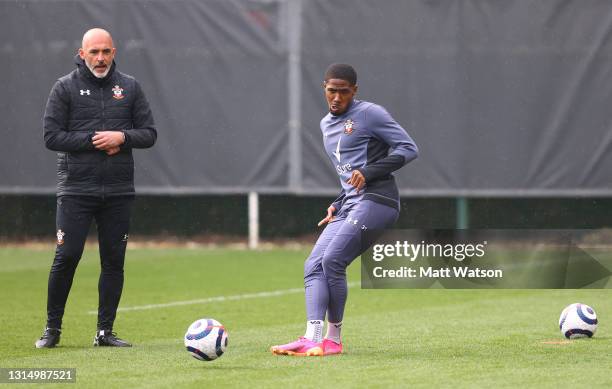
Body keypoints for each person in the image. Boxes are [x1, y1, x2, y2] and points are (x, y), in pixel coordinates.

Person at [271, 64, 418, 356]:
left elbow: (409, 148)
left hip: (378, 201)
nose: (337, 97)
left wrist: (370, 171)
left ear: (354, 91)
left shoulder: (370, 114)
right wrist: (338, 201)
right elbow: (347, 172)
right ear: (324, 88)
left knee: (334, 260)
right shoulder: (326, 123)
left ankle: (333, 340)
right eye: (331, 91)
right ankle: (311, 337)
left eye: (344, 91)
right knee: (313, 265)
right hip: (351, 203)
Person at [35, 28, 157, 348]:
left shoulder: (130, 87)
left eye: (106, 52)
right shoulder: (64, 88)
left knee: (113, 260)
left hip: (118, 191)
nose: (100, 58)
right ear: (82, 53)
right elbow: (52, 137)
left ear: (114, 52)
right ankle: (52, 330)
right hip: (76, 189)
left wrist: (123, 137)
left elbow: (149, 133)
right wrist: (94, 140)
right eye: (94, 52)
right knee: (68, 256)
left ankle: (104, 332)